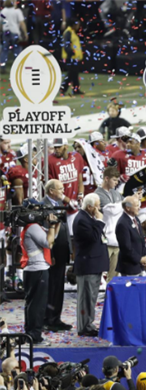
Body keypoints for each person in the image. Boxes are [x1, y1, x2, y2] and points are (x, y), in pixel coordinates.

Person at [21, 203, 60, 345]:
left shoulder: (31, 227)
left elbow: (52, 237)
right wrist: (51, 226)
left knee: (33, 304)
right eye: (37, 210)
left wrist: (56, 223)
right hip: (37, 270)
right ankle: (35, 337)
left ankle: (30, 334)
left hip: (34, 270)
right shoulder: (33, 227)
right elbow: (48, 243)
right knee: (37, 305)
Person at [73, 194, 109, 337]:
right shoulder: (82, 220)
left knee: (91, 297)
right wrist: (100, 221)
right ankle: (84, 327)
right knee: (86, 298)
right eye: (98, 205)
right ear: (90, 207)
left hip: (93, 264)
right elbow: (93, 238)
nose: (99, 208)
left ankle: (88, 324)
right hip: (88, 265)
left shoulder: (87, 217)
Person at [42, 180, 75, 333]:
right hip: (52, 255)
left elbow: (64, 229)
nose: (63, 191)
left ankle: (56, 318)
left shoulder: (60, 205)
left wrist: (69, 248)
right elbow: (46, 233)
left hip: (62, 253)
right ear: (51, 191)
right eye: (60, 189)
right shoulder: (44, 206)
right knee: (51, 288)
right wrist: (51, 254)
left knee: (59, 288)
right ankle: (48, 319)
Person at [111, 133, 146, 218]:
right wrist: (119, 178)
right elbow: (110, 175)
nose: (128, 145)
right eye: (127, 142)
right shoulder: (118, 155)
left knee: (145, 225)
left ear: (138, 143)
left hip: (144, 199)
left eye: (131, 142)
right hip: (125, 198)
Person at [47, 139, 84, 235]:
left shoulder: (76, 157)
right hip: (57, 206)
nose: (56, 150)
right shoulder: (50, 160)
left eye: (59, 147)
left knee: (74, 236)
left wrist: (80, 195)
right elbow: (50, 188)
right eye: (55, 147)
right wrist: (68, 200)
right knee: (57, 237)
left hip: (74, 206)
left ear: (66, 146)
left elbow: (80, 180)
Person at [96, 167, 124, 282]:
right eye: (114, 180)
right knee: (99, 272)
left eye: (117, 180)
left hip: (116, 239)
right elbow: (110, 211)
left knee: (113, 276)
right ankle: (98, 296)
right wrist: (124, 203)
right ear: (106, 178)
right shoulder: (97, 194)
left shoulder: (116, 194)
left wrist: (123, 204)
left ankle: (109, 298)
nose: (117, 182)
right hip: (104, 239)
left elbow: (126, 207)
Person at [116, 196, 146, 277]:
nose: (139, 208)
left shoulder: (136, 219)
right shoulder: (122, 223)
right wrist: (139, 259)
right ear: (128, 208)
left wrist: (144, 256)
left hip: (139, 266)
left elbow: (141, 240)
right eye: (137, 206)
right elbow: (126, 248)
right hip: (129, 268)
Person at [60, 20, 83, 95]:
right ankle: (63, 88)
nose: (78, 27)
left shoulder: (72, 32)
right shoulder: (68, 32)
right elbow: (66, 44)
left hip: (74, 57)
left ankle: (76, 89)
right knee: (71, 74)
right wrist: (71, 53)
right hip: (70, 57)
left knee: (74, 74)